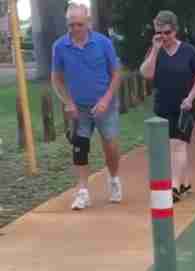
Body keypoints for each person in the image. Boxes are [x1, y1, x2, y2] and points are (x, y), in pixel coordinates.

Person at [51, 3, 123, 211]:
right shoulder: (60, 46)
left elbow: (116, 74)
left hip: (104, 104)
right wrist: (68, 102)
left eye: (79, 24)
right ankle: (83, 192)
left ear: (88, 23)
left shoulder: (103, 43)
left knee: (110, 145)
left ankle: (114, 179)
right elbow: (56, 79)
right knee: (79, 148)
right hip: (79, 108)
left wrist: (105, 100)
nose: (75, 29)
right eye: (71, 25)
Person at [140, 10, 195, 202]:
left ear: (175, 30)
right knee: (171, 147)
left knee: (178, 144)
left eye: (167, 32)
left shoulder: (188, 51)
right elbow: (146, 74)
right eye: (159, 33)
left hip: (186, 107)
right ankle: (185, 183)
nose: (164, 37)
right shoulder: (156, 51)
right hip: (162, 107)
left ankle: (175, 187)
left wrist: (190, 98)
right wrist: (154, 49)